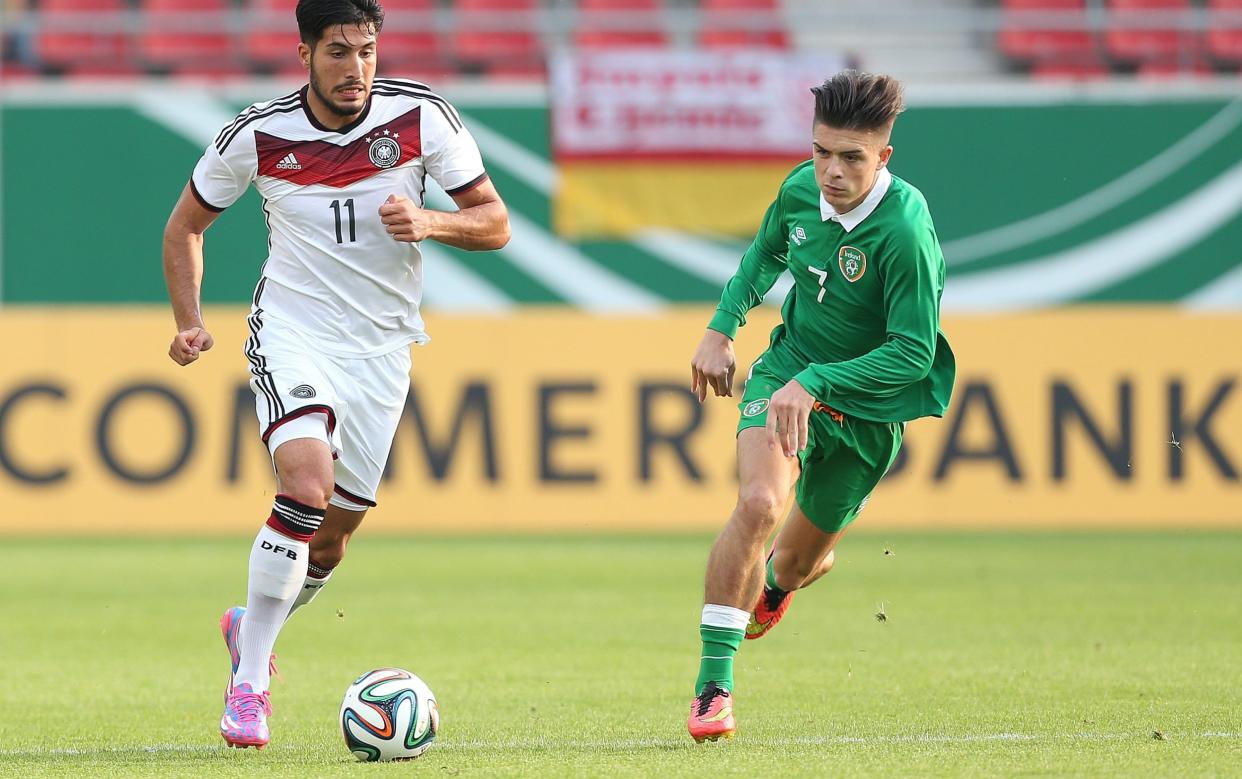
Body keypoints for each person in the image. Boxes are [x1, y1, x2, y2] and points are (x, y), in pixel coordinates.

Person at [162, 0, 510, 750]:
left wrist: (433, 222)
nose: (356, 69)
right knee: (305, 487)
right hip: (294, 332)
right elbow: (185, 225)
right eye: (339, 52)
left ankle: (249, 623)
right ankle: (251, 682)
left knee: (330, 541)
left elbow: (496, 222)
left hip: (382, 350)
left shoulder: (423, 119)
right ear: (304, 54)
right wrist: (189, 320)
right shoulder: (259, 132)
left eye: (366, 50)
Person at [684, 70, 956, 742]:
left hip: (866, 413)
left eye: (852, 157)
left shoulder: (905, 232)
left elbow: (914, 353)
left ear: (883, 157)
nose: (831, 171)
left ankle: (781, 580)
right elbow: (764, 253)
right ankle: (713, 688)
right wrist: (723, 327)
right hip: (786, 374)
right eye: (821, 151)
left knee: (795, 564)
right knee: (758, 504)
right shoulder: (800, 189)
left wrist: (823, 383)